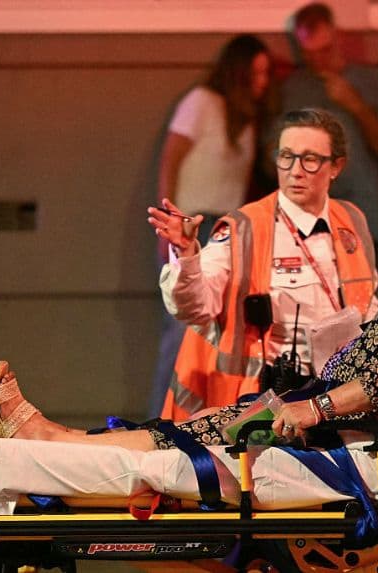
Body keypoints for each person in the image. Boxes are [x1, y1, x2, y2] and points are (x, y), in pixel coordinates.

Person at [0, 176, 378, 455]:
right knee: (198, 428)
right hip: (332, 403)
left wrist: (312, 408)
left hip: (346, 420)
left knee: (195, 438)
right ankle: (55, 439)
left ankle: (48, 443)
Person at [151, 108, 378, 422]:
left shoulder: (352, 219)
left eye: (310, 159)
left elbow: (367, 301)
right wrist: (187, 253)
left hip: (336, 393)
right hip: (265, 397)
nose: (295, 171)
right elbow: (195, 308)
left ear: (336, 167)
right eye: (286, 157)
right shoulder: (244, 227)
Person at [148, 34, 274, 417]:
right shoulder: (201, 101)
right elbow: (170, 159)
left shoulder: (245, 117)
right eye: (256, 73)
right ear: (238, 71)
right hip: (193, 225)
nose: (263, 81)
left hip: (227, 229)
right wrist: (170, 226)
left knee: (219, 333)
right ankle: (160, 421)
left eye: (266, 73)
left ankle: (209, 418)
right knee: (181, 331)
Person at [281, 2, 378, 257]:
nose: (318, 61)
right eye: (309, 54)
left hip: (360, 221)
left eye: (324, 50)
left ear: (338, 38)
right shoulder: (293, 89)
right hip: (304, 226)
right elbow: (272, 158)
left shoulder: (372, 81)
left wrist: (356, 106)